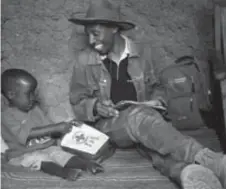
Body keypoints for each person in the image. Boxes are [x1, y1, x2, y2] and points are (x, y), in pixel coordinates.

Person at [68, 0, 226, 188]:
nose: (92, 41)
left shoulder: (143, 53)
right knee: (139, 118)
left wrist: (158, 100)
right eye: (89, 35)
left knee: (156, 148)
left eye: (95, 33)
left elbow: (158, 86)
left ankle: (188, 173)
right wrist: (95, 106)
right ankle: (209, 159)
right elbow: (77, 100)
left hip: (146, 123)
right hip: (110, 126)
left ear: (114, 29)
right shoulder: (84, 61)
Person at [1, 68, 104, 181]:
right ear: (11, 95)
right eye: (28, 94)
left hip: (46, 146)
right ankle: (63, 172)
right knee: (39, 159)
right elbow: (25, 135)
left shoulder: (34, 109)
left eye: (33, 93)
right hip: (21, 153)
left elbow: (49, 127)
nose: (33, 98)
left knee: (60, 154)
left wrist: (68, 125)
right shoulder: (6, 116)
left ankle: (86, 165)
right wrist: (55, 127)